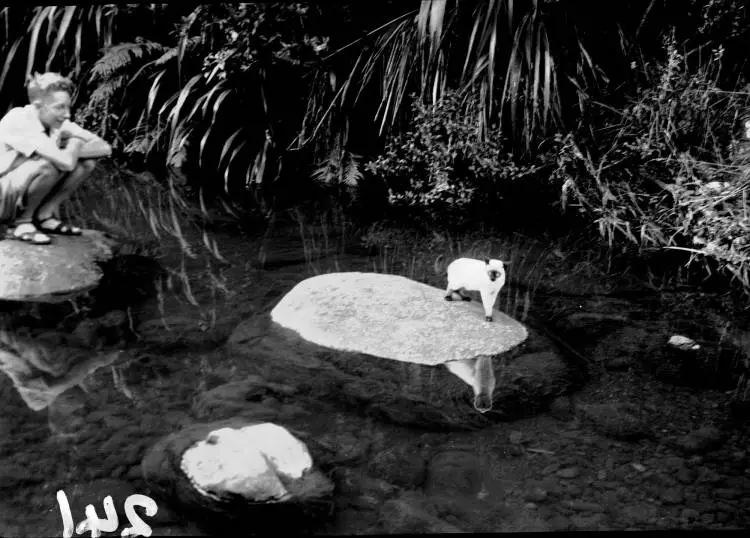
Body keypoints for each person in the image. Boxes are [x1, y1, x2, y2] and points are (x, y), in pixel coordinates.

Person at [0, 72, 112, 244]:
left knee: (85, 164)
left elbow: (104, 148)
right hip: (2, 194)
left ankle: (44, 216)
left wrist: (71, 150)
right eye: (60, 107)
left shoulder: (56, 122)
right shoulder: (20, 119)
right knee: (49, 165)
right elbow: (65, 163)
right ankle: (21, 223)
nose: (67, 114)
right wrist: (74, 144)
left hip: (15, 191)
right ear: (38, 106)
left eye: (68, 107)